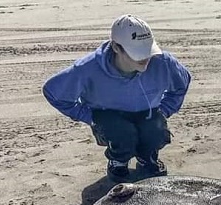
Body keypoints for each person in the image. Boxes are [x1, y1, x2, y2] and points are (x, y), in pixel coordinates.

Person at [43, 14, 192, 181]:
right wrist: (89, 117)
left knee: (155, 130)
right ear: (116, 47)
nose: (145, 58)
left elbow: (182, 82)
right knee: (122, 134)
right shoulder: (87, 68)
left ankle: (147, 157)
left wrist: (165, 110)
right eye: (137, 52)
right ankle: (118, 161)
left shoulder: (163, 62)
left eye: (147, 50)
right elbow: (53, 92)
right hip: (109, 117)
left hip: (148, 112)